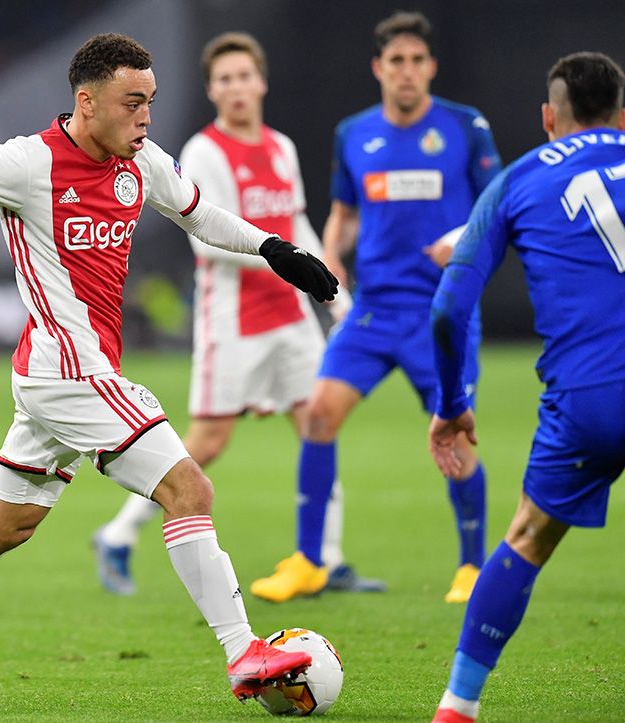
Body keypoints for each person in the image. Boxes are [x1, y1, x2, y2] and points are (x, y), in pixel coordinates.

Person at [0, 33, 338, 714]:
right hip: (67, 374)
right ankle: (242, 649)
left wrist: (275, 248)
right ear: (87, 101)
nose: (145, 118)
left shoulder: (142, 162)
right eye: (132, 103)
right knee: (188, 486)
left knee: (5, 524)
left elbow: (200, 215)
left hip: (64, 374)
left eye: (151, 103)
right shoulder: (26, 163)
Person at [92, 32, 384, 597]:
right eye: (224, 79)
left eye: (244, 75)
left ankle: (328, 557)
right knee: (208, 442)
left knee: (318, 425)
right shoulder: (204, 152)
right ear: (212, 90)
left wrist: (334, 298)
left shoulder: (279, 146)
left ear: (261, 82)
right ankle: (119, 534)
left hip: (291, 320)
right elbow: (208, 243)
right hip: (233, 323)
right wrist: (289, 262)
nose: (236, 87)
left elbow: (295, 226)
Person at [250, 11, 502, 604]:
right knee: (318, 416)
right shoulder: (353, 133)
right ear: (378, 68)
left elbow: (498, 207)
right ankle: (310, 562)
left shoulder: (466, 127)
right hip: (374, 313)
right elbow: (344, 212)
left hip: (443, 312)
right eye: (397, 62)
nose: (407, 72)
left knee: (455, 436)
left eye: (417, 61)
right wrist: (331, 258)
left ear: (431, 67)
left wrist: (462, 238)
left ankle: (473, 569)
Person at [429, 52, 625, 723]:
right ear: (622, 115)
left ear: (549, 118)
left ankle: (458, 705)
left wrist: (452, 406)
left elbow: (448, 311)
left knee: (527, 538)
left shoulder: (516, 182)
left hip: (590, 400)